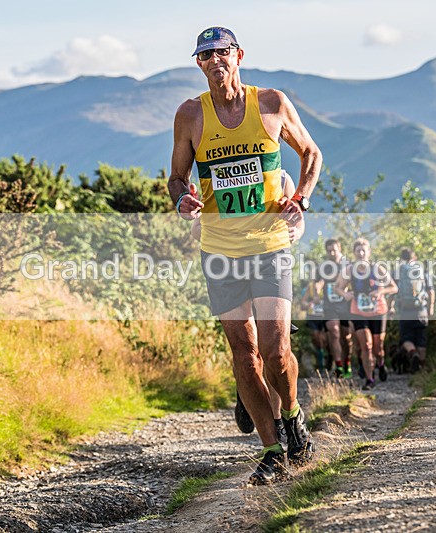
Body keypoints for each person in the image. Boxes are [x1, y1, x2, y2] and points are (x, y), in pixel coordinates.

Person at [169, 27, 322, 485]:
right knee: (244, 351)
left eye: (222, 53)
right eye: (205, 55)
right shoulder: (191, 114)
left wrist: (303, 200)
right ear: (199, 64)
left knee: (276, 351)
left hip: (271, 243)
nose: (215, 61)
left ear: (239, 56)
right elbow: (176, 176)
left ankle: (293, 416)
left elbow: (311, 153)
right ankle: (272, 450)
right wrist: (182, 198)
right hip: (219, 250)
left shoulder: (271, 103)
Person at [191, 169, 304, 448]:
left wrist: (293, 231)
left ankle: (279, 419)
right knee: (249, 353)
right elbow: (197, 232)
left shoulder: (280, 178)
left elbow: (299, 224)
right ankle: (253, 397)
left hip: (270, 266)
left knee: (276, 351)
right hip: (229, 269)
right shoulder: (215, 176)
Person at [334, 238, 397, 390]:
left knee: (378, 347)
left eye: (364, 250)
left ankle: (381, 364)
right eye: (358, 251)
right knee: (366, 346)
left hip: (378, 311)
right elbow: (337, 287)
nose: (361, 253)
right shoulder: (349, 270)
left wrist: (381, 290)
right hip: (358, 311)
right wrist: (345, 295)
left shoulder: (377, 269)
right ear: (354, 253)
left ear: (369, 252)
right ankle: (370, 379)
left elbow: (393, 287)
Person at [395, 248, 435, 372]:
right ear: (415, 257)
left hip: (405, 310)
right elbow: (431, 290)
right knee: (421, 339)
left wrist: (391, 307)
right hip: (421, 310)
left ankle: (413, 353)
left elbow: (394, 290)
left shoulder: (399, 271)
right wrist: (431, 307)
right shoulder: (423, 270)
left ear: (402, 258)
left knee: (406, 338)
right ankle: (421, 372)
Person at [319, 239, 354, 378]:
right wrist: (315, 294)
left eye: (334, 250)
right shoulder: (323, 266)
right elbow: (317, 283)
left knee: (346, 336)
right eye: (329, 251)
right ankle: (338, 365)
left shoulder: (348, 265)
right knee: (334, 332)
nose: (332, 253)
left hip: (345, 305)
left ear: (340, 249)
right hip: (329, 305)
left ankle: (347, 362)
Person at [299, 277, 327, 371]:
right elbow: (303, 304)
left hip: (325, 317)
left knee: (324, 339)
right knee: (316, 338)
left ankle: (328, 361)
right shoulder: (309, 288)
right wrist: (310, 303)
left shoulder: (327, 286)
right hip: (312, 317)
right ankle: (320, 364)